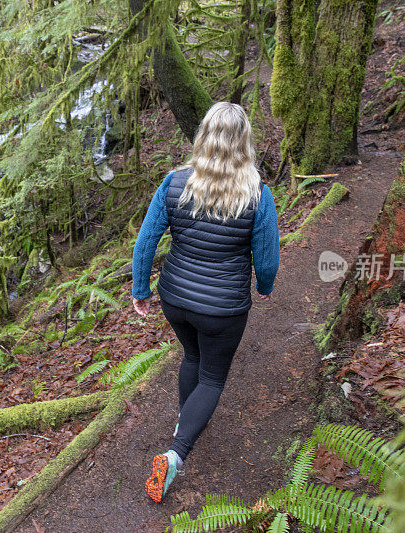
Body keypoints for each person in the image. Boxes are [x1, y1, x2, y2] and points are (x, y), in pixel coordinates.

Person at [131, 101, 280, 503]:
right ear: (243, 143)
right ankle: (177, 453)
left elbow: (146, 242)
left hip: (176, 298)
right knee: (212, 377)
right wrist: (265, 285)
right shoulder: (257, 194)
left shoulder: (175, 182)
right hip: (223, 307)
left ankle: (186, 420)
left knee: (191, 358)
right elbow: (266, 257)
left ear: (203, 137)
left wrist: (140, 291)